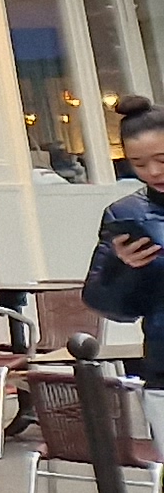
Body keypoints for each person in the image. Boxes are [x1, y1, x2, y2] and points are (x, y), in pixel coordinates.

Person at [84, 100, 164, 387]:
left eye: (162, 160)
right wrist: (123, 268)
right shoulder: (125, 215)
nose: (153, 172)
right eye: (139, 164)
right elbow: (103, 302)